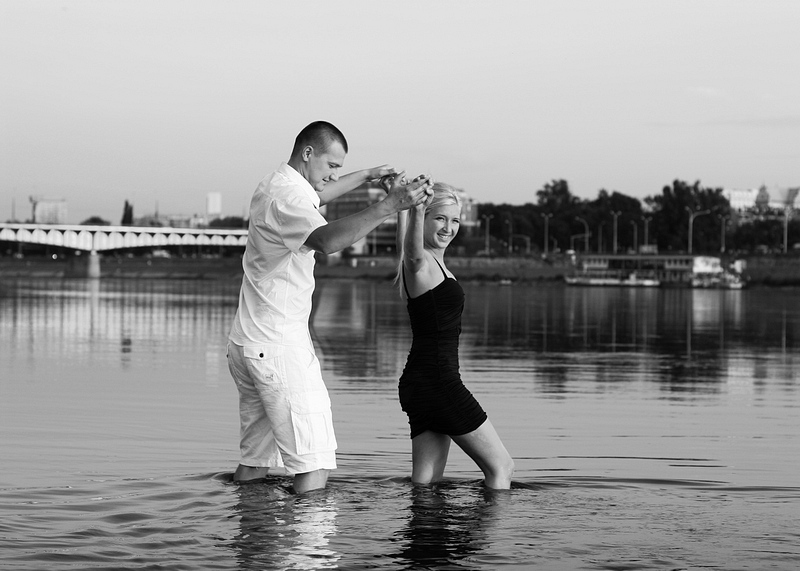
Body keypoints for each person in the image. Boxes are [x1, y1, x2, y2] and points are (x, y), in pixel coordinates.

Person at [228, 121, 432, 494]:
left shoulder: (276, 184)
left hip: (249, 344)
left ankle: (253, 547)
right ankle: (308, 552)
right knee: (314, 464)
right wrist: (389, 205)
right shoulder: (288, 199)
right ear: (308, 154)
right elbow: (326, 241)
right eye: (331, 165)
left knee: (255, 462)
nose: (333, 175)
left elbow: (318, 195)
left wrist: (369, 175)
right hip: (278, 349)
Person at [395, 182, 514, 489]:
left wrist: (400, 207)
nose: (448, 228)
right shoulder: (420, 264)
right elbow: (410, 252)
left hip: (420, 383)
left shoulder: (432, 263)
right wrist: (415, 208)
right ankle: (485, 538)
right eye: (441, 218)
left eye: (455, 220)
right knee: (501, 467)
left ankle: (424, 536)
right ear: (424, 218)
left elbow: (406, 248)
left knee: (426, 483)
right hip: (438, 382)